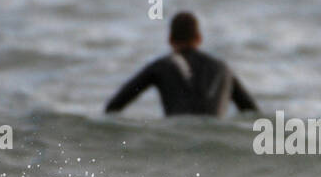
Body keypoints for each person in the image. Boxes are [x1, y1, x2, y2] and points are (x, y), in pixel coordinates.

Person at [105, 12, 259, 116]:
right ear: (199, 38)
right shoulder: (223, 69)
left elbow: (113, 107)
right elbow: (252, 113)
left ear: (170, 39)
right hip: (215, 137)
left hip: (177, 136)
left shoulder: (161, 66)